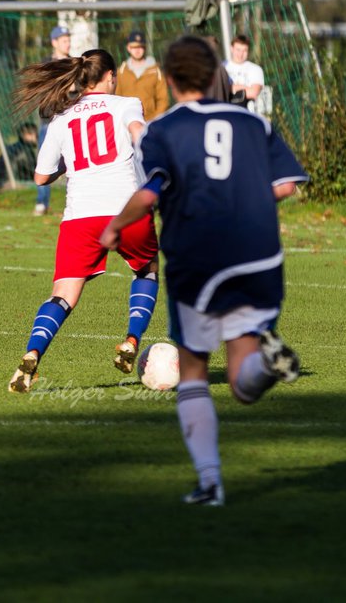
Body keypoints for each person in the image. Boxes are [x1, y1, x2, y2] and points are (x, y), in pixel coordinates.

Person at [100, 36, 307, 506]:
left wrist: (116, 226)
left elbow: (152, 193)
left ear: (169, 80)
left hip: (198, 256)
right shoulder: (254, 124)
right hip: (257, 253)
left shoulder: (163, 130)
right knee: (242, 380)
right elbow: (288, 185)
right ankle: (266, 367)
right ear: (217, 74)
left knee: (193, 370)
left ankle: (210, 481)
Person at [7, 49, 161, 394]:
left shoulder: (61, 118)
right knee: (147, 268)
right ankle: (132, 339)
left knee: (62, 295)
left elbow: (40, 177)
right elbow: (139, 133)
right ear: (109, 77)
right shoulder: (126, 104)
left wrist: (69, 166)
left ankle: (32, 354)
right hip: (126, 209)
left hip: (80, 217)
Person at [34, 24, 73, 215]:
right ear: (54, 42)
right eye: (64, 40)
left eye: (68, 39)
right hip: (49, 122)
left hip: (70, 120)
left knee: (73, 162)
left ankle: (73, 200)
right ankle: (42, 202)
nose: (68, 43)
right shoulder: (46, 64)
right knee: (45, 161)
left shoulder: (75, 64)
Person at [114, 29, 169, 121]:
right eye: (134, 47)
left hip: (149, 123)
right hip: (127, 123)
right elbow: (116, 98)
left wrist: (154, 121)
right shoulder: (121, 72)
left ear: (145, 48)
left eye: (140, 47)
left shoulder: (155, 71)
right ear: (128, 48)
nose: (137, 50)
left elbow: (163, 100)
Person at [0, 123, 39, 193]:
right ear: (27, 135)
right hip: (11, 187)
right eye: (36, 135)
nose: (37, 138)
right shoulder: (26, 151)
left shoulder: (10, 148)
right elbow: (36, 175)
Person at [225, 34, 266, 114]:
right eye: (238, 50)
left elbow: (253, 93)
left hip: (248, 114)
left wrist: (229, 88)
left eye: (244, 50)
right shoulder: (222, 67)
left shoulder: (255, 69)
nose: (240, 54)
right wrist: (245, 88)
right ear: (231, 48)